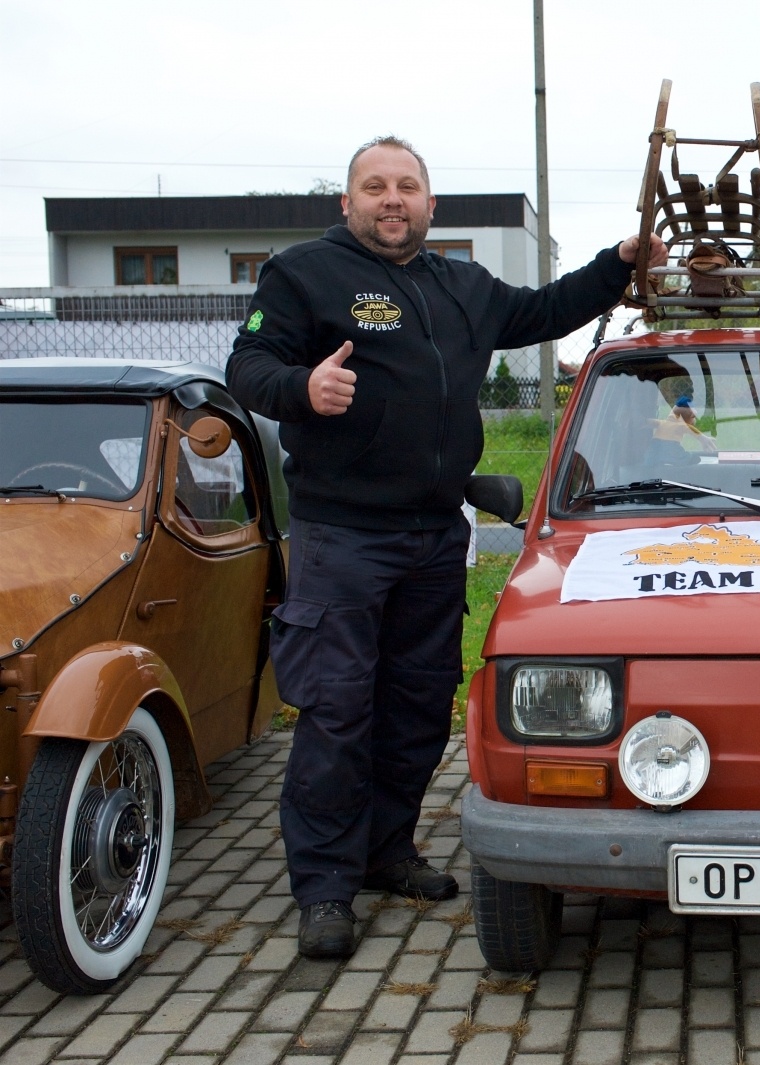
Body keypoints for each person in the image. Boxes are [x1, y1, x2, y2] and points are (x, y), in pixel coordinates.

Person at [227, 135, 666, 957]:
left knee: (419, 708)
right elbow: (247, 362)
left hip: (434, 535)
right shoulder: (302, 274)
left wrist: (616, 262)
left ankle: (387, 851)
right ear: (347, 202)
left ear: (432, 205)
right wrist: (302, 388)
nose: (391, 200)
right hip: (342, 536)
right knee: (335, 714)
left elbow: (543, 311)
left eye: (407, 187)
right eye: (375, 187)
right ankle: (324, 886)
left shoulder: (461, 284)